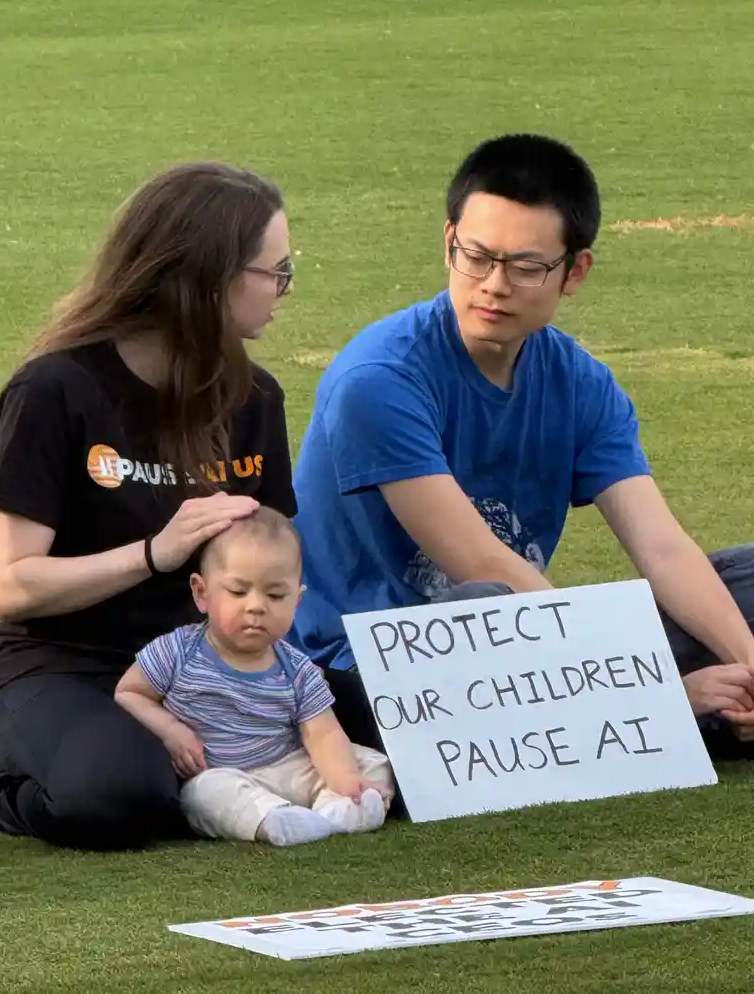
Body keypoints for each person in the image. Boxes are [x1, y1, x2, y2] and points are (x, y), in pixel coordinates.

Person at [289, 133, 754, 761]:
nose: (494, 285)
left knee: (745, 583)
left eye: (526, 267)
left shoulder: (580, 382)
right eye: (475, 256)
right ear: (447, 241)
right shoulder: (378, 380)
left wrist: (747, 661)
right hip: (371, 669)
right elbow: (484, 565)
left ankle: (713, 701)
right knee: (487, 607)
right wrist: (655, 687)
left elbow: (662, 547)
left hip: (526, 637)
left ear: (575, 271)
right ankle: (671, 709)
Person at [0, 161, 300, 850]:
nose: (285, 290)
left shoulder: (253, 397)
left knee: (393, 732)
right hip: (64, 664)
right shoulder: (57, 390)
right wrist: (154, 554)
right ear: (207, 278)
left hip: (207, 660)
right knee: (121, 792)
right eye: (276, 271)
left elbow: (272, 554)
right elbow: (7, 585)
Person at [115, 507, 394, 846]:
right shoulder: (177, 651)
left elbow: (322, 735)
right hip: (221, 772)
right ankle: (274, 820)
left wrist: (346, 778)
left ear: (297, 600)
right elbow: (129, 692)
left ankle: (336, 810)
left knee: (371, 762)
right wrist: (170, 730)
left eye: (275, 595)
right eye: (238, 591)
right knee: (206, 794)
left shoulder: (298, 668)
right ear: (202, 593)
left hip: (287, 764)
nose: (256, 606)